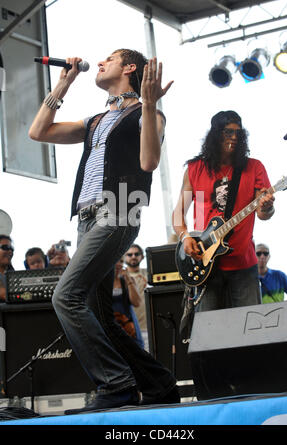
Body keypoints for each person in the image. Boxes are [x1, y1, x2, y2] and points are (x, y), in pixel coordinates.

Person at [29, 48, 179, 414]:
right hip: (86, 217)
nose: (98, 63)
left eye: (108, 59)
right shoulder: (96, 120)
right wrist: (63, 84)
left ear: (129, 67)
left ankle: (116, 384)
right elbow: (38, 132)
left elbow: (149, 162)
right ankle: (158, 385)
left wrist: (146, 103)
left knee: (65, 296)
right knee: (97, 314)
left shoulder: (150, 113)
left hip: (120, 207)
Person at [172, 110, 275, 313]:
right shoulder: (195, 169)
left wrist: (267, 206)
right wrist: (185, 237)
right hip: (205, 262)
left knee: (250, 328)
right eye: (228, 132)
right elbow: (178, 214)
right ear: (216, 134)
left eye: (238, 133)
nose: (234, 138)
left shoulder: (254, 167)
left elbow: (263, 214)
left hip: (244, 265)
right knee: (210, 333)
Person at [113, 257, 144, 349]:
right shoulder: (103, 282)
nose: (119, 264)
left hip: (128, 324)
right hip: (113, 323)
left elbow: (137, 303)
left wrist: (128, 280)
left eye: (121, 261)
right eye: (116, 261)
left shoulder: (127, 280)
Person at [124, 244, 148, 350]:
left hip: (149, 328)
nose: (133, 256)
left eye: (136, 254)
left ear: (142, 256)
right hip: (132, 330)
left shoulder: (149, 273)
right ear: (124, 257)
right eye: (129, 254)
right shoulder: (121, 277)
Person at [0, 235, 14, 301]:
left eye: (11, 249)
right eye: (5, 247)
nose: (10, 251)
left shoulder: (13, 275)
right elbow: (5, 295)